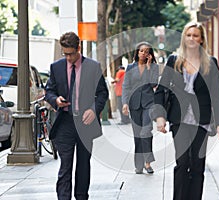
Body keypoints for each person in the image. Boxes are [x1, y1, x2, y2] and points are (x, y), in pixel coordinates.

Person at [152, 22, 219, 199]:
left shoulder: (210, 62)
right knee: (182, 161)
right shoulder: (174, 60)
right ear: (184, 38)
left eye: (196, 35)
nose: (192, 38)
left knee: (197, 165)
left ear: (201, 40)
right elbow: (161, 89)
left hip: (203, 120)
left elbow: (216, 94)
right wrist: (160, 116)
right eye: (189, 35)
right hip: (180, 119)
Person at [45, 32, 108, 200]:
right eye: (65, 54)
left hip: (85, 123)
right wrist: (56, 100)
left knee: (83, 165)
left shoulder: (93, 67)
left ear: (78, 48)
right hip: (64, 122)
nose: (68, 58)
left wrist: (93, 110)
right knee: (65, 164)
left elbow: (102, 93)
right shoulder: (56, 67)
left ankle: (81, 197)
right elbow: (49, 91)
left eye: (71, 53)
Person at [122, 41, 159, 174]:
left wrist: (149, 68)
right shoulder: (130, 67)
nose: (144, 53)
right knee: (137, 134)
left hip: (149, 103)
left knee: (146, 132)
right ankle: (138, 164)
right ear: (137, 52)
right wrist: (125, 103)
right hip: (134, 104)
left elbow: (154, 84)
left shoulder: (154, 67)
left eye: (147, 51)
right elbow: (126, 86)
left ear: (150, 54)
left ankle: (148, 163)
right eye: (141, 51)